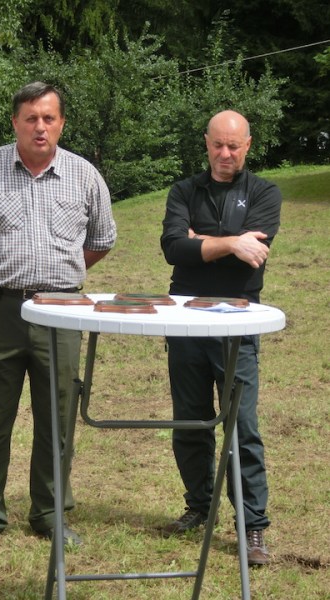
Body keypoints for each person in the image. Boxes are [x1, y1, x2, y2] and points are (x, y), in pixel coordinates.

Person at [0, 81, 117, 552]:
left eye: (49, 118)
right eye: (31, 118)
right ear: (15, 122)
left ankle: (51, 514)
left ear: (62, 123)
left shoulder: (84, 175)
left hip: (62, 311)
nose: (40, 127)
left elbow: (101, 239)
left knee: (58, 418)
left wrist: (60, 279)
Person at [160, 110, 282, 566]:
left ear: (248, 145)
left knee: (241, 425)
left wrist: (202, 242)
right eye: (217, 144)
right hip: (184, 320)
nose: (225, 153)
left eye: (234, 145)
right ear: (206, 142)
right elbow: (173, 248)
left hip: (238, 323)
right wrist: (231, 242)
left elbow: (254, 255)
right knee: (189, 420)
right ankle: (198, 506)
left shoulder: (265, 193)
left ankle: (253, 526)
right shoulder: (183, 191)